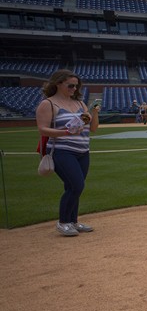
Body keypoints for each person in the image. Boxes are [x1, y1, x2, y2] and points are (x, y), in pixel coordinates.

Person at [35, 70, 101, 237]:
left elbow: (92, 128)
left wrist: (94, 112)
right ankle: (63, 222)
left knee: (74, 187)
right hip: (62, 151)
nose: (74, 88)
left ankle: (73, 221)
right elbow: (43, 129)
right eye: (70, 85)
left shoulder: (80, 104)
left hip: (83, 151)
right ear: (58, 84)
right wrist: (65, 132)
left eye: (76, 86)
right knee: (76, 185)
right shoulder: (48, 104)